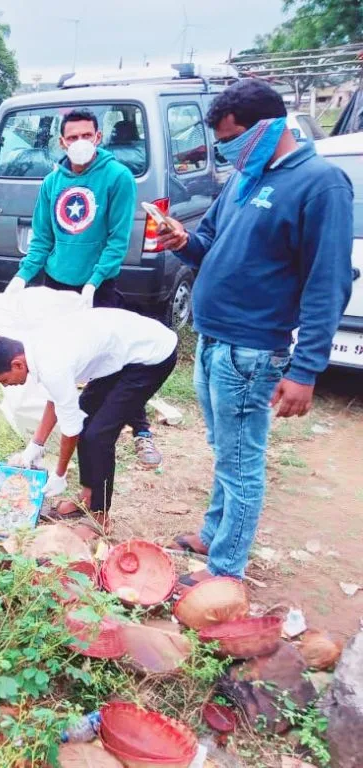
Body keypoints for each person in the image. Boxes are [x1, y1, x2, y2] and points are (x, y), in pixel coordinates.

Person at [156, 79, 354, 589]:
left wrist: (305, 370)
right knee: (227, 450)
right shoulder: (246, 177)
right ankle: (213, 535)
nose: (226, 150)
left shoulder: (320, 184)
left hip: (252, 349)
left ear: (268, 127)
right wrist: (181, 240)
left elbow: (327, 282)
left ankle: (225, 572)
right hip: (213, 340)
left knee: (242, 461)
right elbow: (206, 242)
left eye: (232, 138)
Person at [3, 108, 163, 469]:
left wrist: (94, 281)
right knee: (55, 359)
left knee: (113, 359)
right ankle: (44, 436)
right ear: (62, 142)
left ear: (98, 137)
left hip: (98, 287)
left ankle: (141, 431)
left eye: (86, 136)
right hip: (57, 284)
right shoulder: (52, 183)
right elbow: (42, 240)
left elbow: (117, 240)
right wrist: (21, 278)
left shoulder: (117, 178)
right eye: (72, 137)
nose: (80, 143)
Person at [0, 308, 178, 529]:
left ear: (17, 364)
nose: (6, 385)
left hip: (151, 357)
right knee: (87, 415)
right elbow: (55, 398)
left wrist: (59, 474)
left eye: (4, 380)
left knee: (98, 436)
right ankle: (88, 497)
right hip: (120, 353)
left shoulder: (52, 364)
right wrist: (35, 445)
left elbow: (71, 428)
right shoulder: (34, 350)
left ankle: (100, 517)